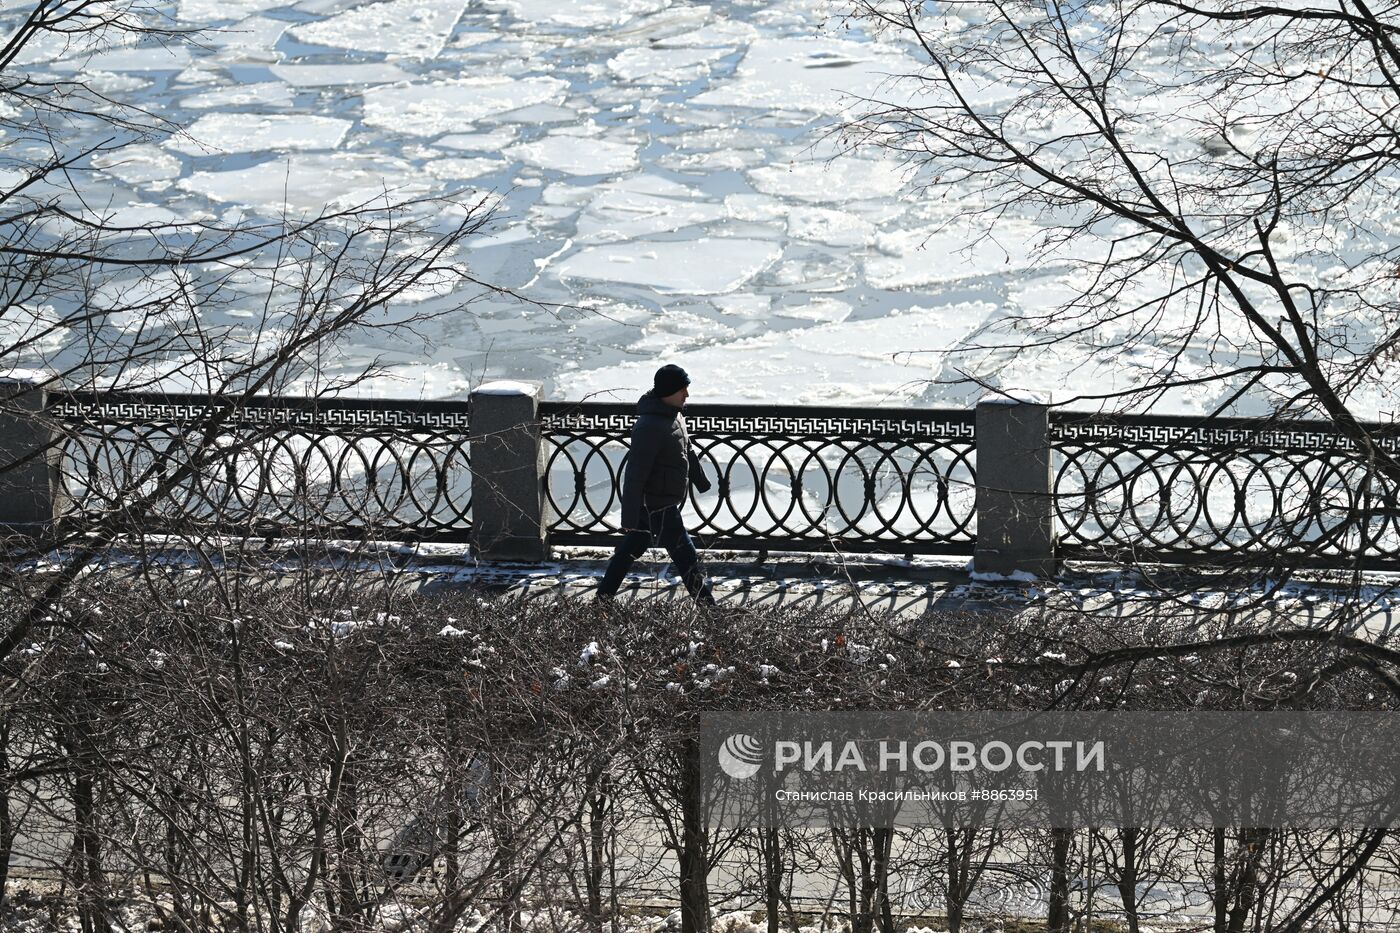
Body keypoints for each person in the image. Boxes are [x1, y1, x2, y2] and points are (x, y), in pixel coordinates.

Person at [596, 364, 716, 606]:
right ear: (669, 391)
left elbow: (686, 447)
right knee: (687, 558)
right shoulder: (649, 426)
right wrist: (628, 518)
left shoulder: (674, 414)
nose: (687, 395)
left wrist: (700, 480)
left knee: (626, 555)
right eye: (683, 389)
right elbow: (635, 473)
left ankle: (601, 601)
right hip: (658, 506)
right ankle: (710, 611)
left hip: (657, 504)